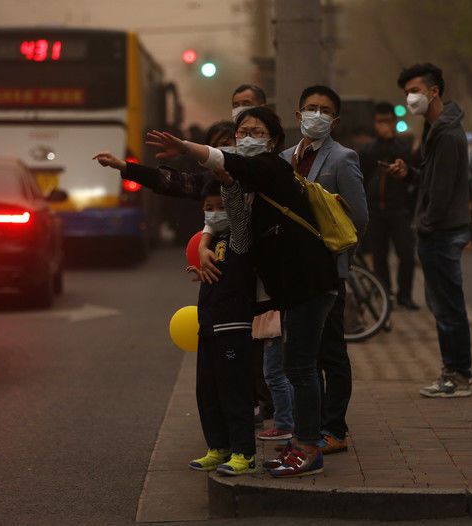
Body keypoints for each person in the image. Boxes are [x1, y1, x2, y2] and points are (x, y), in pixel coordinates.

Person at [146, 106, 340, 477]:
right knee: (296, 366)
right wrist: (213, 224)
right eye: (242, 131)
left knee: (300, 368)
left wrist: (187, 146)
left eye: (256, 131)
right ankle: (300, 444)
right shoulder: (247, 182)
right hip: (293, 289)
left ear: (274, 139)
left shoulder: (273, 169)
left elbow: (229, 163)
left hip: (310, 283)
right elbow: (232, 224)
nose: (247, 137)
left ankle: (308, 448)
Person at [278, 85, 368, 455]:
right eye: (311, 108)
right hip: (293, 274)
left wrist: (332, 247)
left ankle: (335, 429)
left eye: (325, 110)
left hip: (329, 271)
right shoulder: (284, 157)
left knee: (331, 352)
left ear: (335, 120)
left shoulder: (343, 158)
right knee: (301, 356)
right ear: (298, 115)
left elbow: (359, 217)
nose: (317, 114)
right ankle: (307, 431)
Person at [393, 63, 472, 398]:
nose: (410, 98)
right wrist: (410, 174)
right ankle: (454, 370)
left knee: (447, 307)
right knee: (443, 305)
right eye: (407, 92)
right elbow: (432, 180)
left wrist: (424, 225)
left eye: (415, 90)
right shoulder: (436, 130)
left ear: (434, 91)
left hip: (440, 231)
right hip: (437, 229)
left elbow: (441, 192)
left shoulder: (447, 133)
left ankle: (457, 375)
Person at [358, 101, 419, 310]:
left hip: (399, 209)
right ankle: (385, 295)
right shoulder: (367, 148)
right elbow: (362, 177)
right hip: (375, 210)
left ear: (394, 122)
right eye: (379, 122)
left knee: (407, 254)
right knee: (379, 255)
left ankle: (405, 295)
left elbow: (412, 174)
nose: (384, 125)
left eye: (387, 121)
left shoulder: (403, 146)